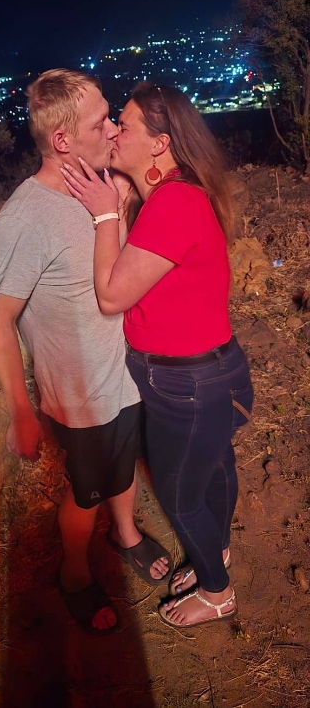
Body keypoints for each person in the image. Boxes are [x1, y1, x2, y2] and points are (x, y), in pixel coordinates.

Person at [0, 70, 171, 635]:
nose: (113, 129)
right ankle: (73, 572)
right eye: (102, 122)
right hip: (80, 397)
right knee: (85, 493)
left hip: (125, 376)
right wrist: (20, 410)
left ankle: (126, 534)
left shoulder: (102, 183)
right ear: (62, 140)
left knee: (124, 469)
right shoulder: (25, 220)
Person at [61, 81, 254, 630]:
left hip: (188, 386)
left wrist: (104, 214)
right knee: (215, 468)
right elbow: (143, 267)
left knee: (179, 495)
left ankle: (217, 593)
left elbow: (112, 295)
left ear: (159, 142)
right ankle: (216, 552)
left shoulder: (173, 203)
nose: (114, 133)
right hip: (208, 375)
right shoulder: (176, 192)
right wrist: (123, 202)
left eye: (123, 125)